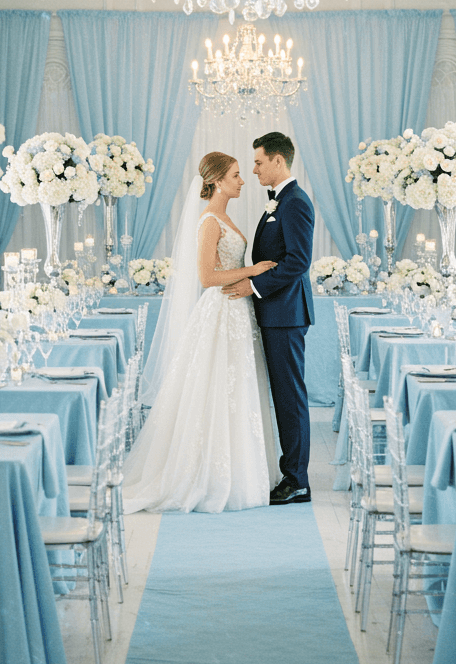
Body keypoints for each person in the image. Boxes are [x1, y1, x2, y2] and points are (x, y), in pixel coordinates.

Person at [122, 151, 279, 514]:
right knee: (215, 389)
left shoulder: (224, 215)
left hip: (237, 313)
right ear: (218, 180)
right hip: (220, 310)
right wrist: (252, 271)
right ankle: (207, 474)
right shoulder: (210, 220)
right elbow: (207, 277)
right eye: (237, 175)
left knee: (237, 389)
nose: (242, 180)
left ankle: (242, 469)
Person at [222, 132, 314, 505]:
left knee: (290, 398)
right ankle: (288, 472)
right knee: (281, 396)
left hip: (286, 314)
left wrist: (253, 286)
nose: (255, 169)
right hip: (274, 313)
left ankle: (297, 480)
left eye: (259, 162)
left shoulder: (294, 203)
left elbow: (298, 261)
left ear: (278, 160)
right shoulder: (279, 202)